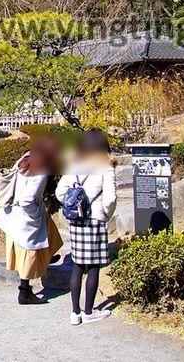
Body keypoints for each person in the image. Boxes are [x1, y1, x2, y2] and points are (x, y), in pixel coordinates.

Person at [56, 129, 117, 325]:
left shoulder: (75, 164)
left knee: (77, 265)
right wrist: (106, 214)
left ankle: (75, 313)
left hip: (76, 221)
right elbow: (110, 199)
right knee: (93, 267)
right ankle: (89, 311)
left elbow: (60, 192)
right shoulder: (105, 167)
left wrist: (73, 204)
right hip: (95, 220)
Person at [0, 133, 64, 305]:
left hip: (11, 212)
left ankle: (47, 256)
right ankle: (24, 292)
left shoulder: (25, 158)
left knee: (49, 228)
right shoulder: (41, 171)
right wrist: (35, 214)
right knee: (28, 252)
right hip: (24, 214)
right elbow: (28, 199)